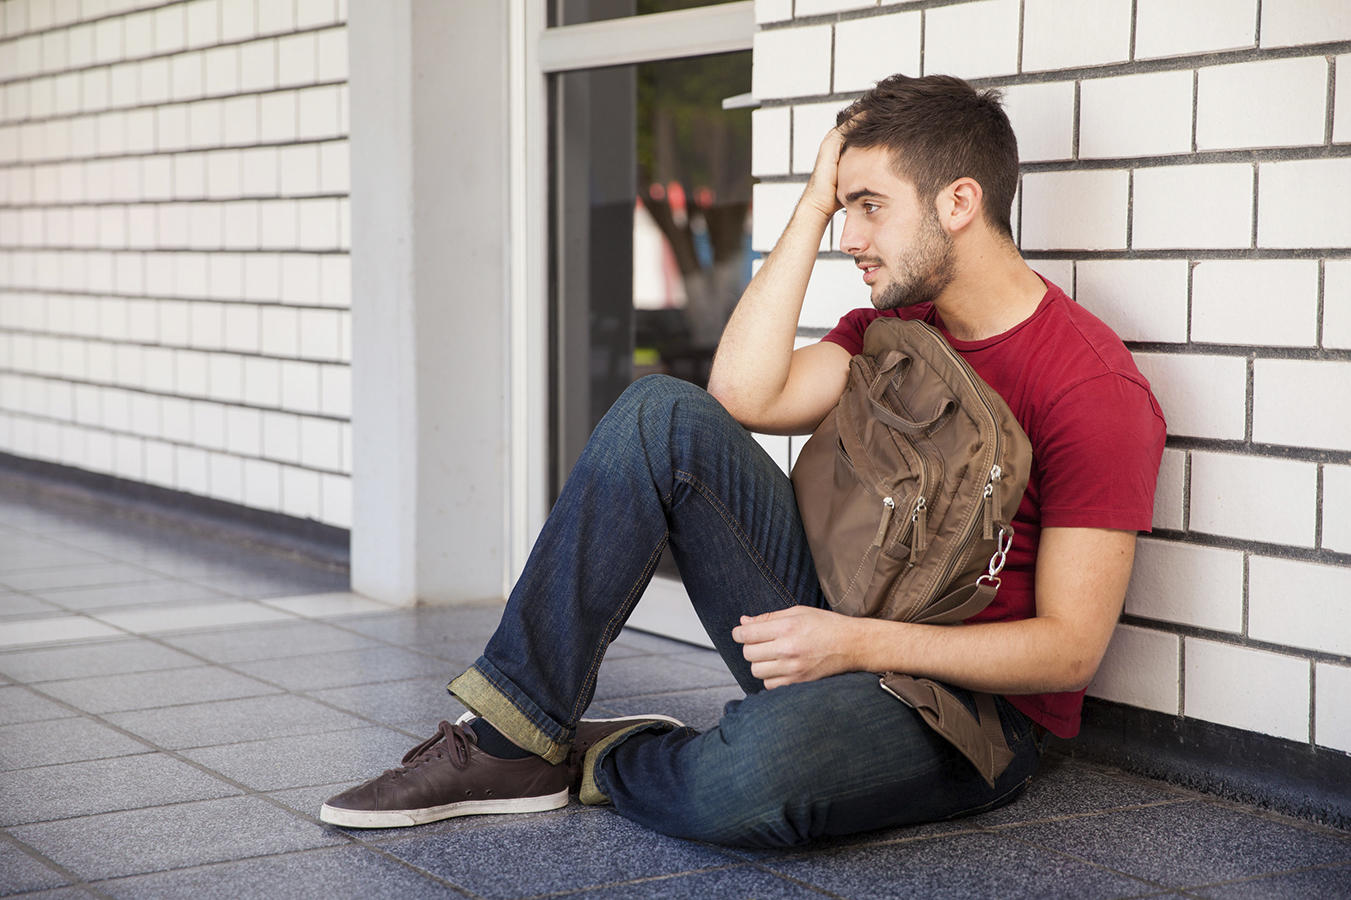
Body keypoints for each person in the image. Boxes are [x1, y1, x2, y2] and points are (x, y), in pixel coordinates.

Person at [320, 73, 1166, 848]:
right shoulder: (893, 333)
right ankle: (508, 739)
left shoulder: (1087, 386)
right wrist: (807, 204)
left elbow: (1067, 651)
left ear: (958, 202)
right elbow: (742, 397)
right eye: (843, 210)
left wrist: (857, 646)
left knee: (751, 780)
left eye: (868, 206)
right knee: (662, 414)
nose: (849, 238)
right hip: (829, 628)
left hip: (967, 717)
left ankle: (608, 756)